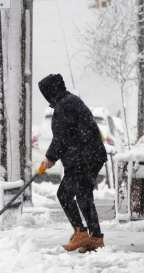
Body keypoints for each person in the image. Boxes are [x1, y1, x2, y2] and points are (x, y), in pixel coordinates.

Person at [38, 73, 107, 253]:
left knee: (64, 195)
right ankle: (95, 238)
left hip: (83, 158)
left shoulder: (65, 105)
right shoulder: (69, 101)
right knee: (84, 195)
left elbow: (62, 137)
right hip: (89, 156)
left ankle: (81, 232)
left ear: (50, 91)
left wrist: (50, 158)